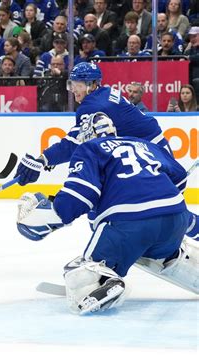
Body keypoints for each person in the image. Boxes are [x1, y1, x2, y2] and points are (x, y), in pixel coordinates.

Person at [16, 112, 198, 315]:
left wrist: (51, 215)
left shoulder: (89, 148)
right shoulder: (141, 144)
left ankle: (105, 281)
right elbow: (180, 178)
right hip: (176, 218)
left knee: (80, 272)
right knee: (165, 252)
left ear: (85, 136)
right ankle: (183, 263)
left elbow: (79, 196)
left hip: (130, 225)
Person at [14, 61, 199, 239]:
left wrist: (43, 160)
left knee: (125, 204)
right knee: (161, 207)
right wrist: (46, 159)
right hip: (150, 152)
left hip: (150, 155)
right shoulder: (103, 94)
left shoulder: (93, 105)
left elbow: (73, 143)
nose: (73, 90)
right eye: (72, 84)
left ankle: (120, 241)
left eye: (78, 85)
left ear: (92, 85)